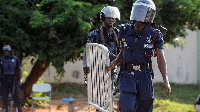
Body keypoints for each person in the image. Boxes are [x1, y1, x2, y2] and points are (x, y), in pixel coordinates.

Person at [105, 0, 171, 111]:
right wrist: (114, 63)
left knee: (145, 106)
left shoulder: (155, 34)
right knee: (127, 108)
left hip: (144, 75)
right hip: (126, 74)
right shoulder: (124, 30)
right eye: (137, 10)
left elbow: (160, 57)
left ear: (150, 14)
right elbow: (123, 52)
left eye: (142, 11)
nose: (139, 14)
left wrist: (166, 79)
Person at [82, 6, 121, 93]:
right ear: (103, 18)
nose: (111, 20)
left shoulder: (118, 34)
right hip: (97, 69)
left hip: (112, 68)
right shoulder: (95, 34)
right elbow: (86, 52)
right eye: (109, 18)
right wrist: (85, 65)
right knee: (99, 97)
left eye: (113, 18)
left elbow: (123, 51)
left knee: (110, 95)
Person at [0, 45, 22, 112]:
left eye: (7, 51)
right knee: (4, 96)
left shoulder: (15, 59)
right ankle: (7, 109)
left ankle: (19, 109)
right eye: (4, 51)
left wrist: (20, 79)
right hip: (4, 79)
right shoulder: (1, 59)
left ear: (10, 51)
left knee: (16, 95)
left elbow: (19, 70)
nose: (6, 52)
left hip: (13, 79)